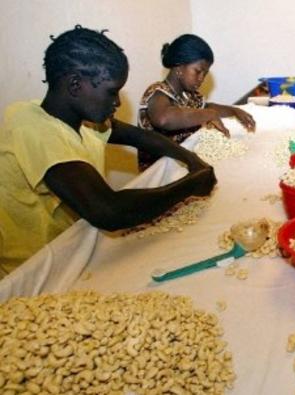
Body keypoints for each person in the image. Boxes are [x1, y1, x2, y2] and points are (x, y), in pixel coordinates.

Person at [0, 26, 217, 275]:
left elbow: (141, 137)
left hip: (74, 246)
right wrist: (191, 186)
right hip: (35, 271)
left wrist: (191, 159)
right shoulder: (33, 128)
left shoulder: (81, 119)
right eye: (112, 92)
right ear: (75, 86)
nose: (118, 103)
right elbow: (109, 211)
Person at [137, 34, 255, 170]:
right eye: (198, 71)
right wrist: (209, 114)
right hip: (159, 176)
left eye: (205, 74)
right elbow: (163, 118)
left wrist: (234, 110)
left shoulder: (190, 95)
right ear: (179, 67)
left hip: (183, 167)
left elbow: (205, 108)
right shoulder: (157, 93)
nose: (201, 78)